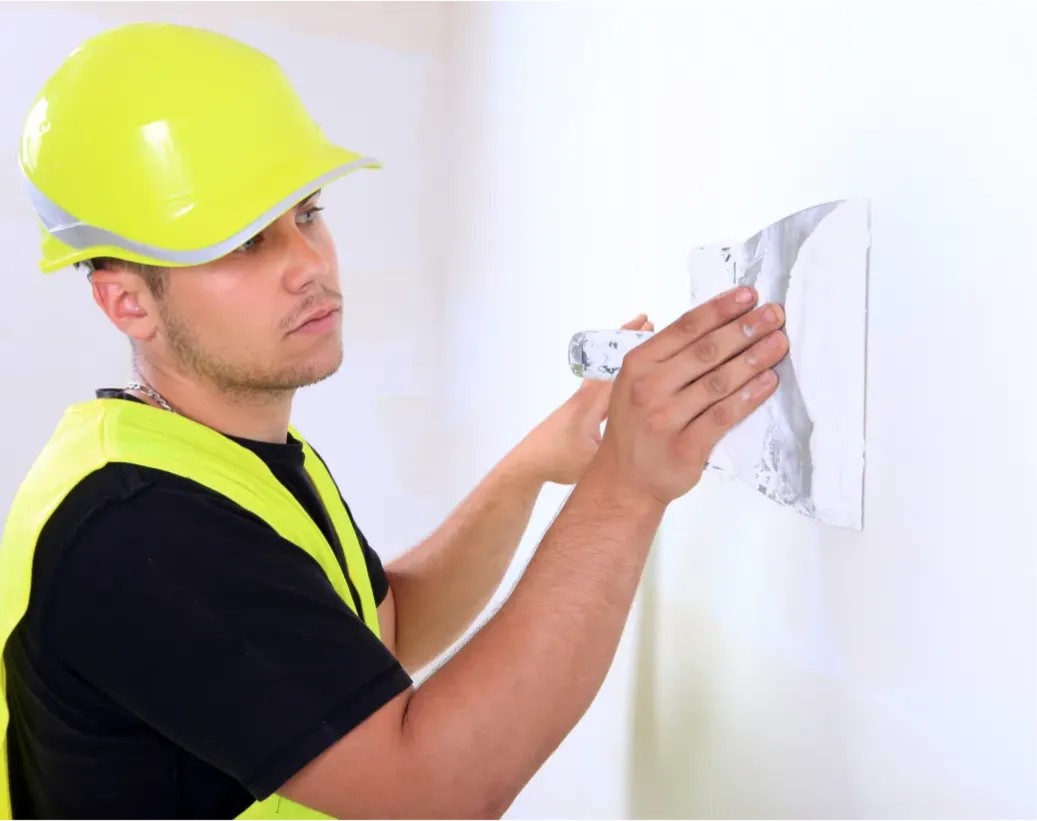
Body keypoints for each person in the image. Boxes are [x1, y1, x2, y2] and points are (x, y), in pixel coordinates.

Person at [0, 21, 788, 821]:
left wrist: (531, 466)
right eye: (245, 242)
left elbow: (386, 630)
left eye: (307, 213)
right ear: (127, 301)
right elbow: (430, 794)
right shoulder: (142, 531)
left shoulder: (219, 457)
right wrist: (625, 487)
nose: (310, 262)